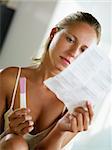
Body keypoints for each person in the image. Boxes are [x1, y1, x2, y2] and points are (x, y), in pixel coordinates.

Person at [0, 11, 101, 150]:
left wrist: (60, 130)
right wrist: (9, 132)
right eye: (70, 40)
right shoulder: (9, 79)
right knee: (15, 143)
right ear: (53, 33)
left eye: (83, 51)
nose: (73, 52)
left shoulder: (79, 103)